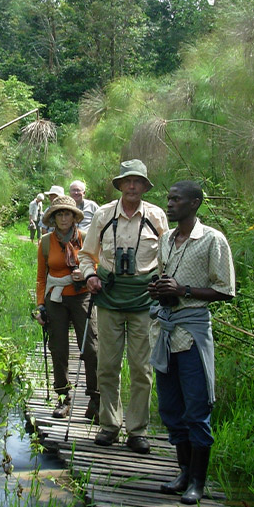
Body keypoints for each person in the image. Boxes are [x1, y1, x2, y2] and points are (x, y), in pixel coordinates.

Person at [148, 181, 235, 504]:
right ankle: (183, 472)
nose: (169, 204)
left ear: (195, 203)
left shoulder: (212, 240)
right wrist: (158, 290)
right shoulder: (166, 240)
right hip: (166, 333)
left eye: (176, 199)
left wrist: (183, 291)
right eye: (169, 199)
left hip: (193, 334)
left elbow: (225, 290)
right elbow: (164, 277)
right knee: (171, 408)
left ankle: (198, 481)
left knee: (196, 408)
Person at [79, 160, 168, 454]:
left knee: (142, 368)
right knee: (107, 365)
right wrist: (91, 275)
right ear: (120, 185)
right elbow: (86, 254)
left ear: (144, 186)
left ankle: (137, 430)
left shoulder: (157, 217)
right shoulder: (103, 215)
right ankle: (109, 425)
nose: (132, 186)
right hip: (109, 296)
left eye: (137, 182)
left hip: (145, 300)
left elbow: (168, 259)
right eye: (127, 181)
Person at [36, 195, 99, 421]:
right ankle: (63, 399)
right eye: (59, 214)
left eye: (67, 213)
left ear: (74, 217)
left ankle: (95, 399)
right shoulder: (45, 242)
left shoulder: (84, 239)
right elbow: (41, 278)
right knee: (59, 349)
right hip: (55, 299)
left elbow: (96, 265)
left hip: (82, 297)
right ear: (53, 218)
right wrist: (40, 306)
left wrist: (85, 273)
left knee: (91, 348)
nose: (64, 217)